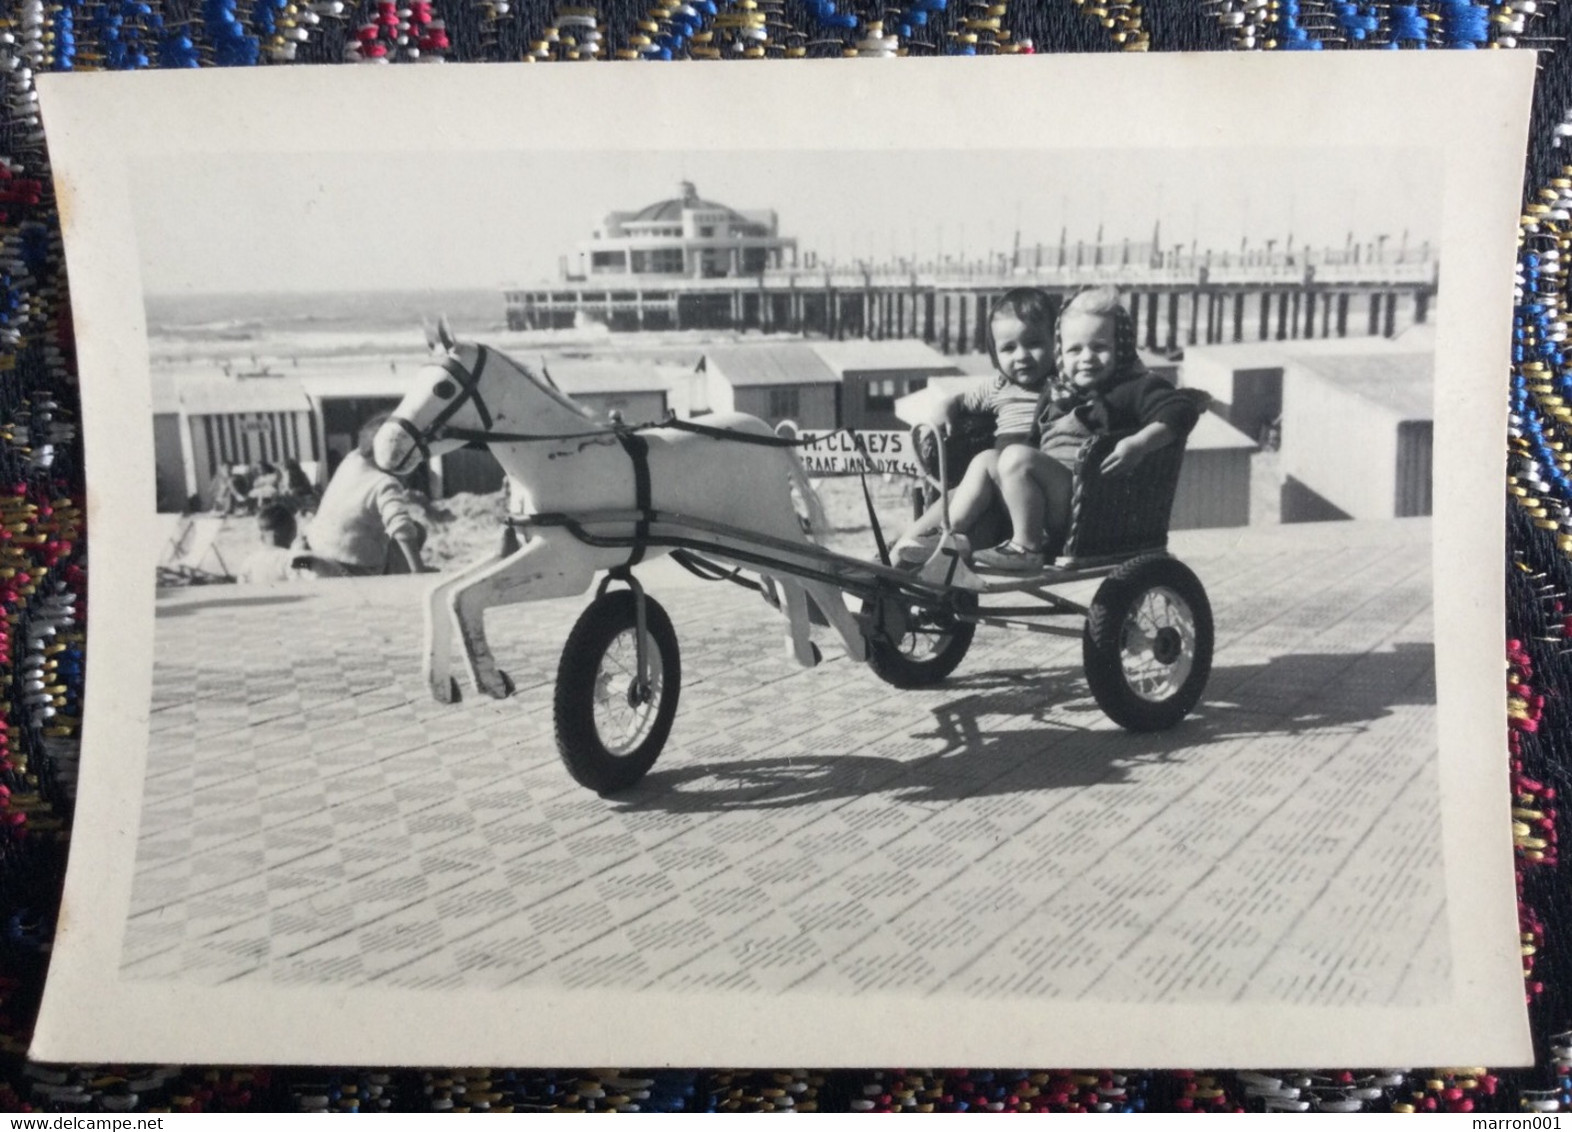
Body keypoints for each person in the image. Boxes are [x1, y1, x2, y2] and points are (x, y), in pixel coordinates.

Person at [897, 286, 1199, 574]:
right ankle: (936, 538)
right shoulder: (1059, 391)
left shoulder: (1134, 387)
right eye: (1075, 350)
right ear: (1062, 354)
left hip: (1089, 506)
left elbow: (1180, 408)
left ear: (1121, 347)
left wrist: (1140, 442)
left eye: (1100, 347)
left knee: (1014, 457)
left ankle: (1027, 547)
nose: (1086, 358)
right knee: (985, 460)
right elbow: (1028, 436)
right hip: (1048, 497)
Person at [891, 287, 1058, 564]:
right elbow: (960, 402)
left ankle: (946, 535)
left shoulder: (1062, 387)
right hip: (997, 491)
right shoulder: (999, 387)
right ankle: (896, 554)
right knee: (950, 500)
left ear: (1056, 342)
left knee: (987, 460)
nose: (1021, 356)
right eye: (1008, 348)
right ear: (995, 355)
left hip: (1035, 496)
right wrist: (942, 412)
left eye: (1034, 343)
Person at [306, 412, 430, 576]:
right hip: (354, 563)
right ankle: (403, 573)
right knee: (416, 532)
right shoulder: (384, 483)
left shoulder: (352, 459)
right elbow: (401, 527)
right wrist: (418, 570)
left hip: (319, 545)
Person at [237, 502, 306, 585]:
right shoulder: (289, 558)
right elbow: (300, 586)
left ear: (261, 535)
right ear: (291, 534)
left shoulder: (250, 559)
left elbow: (241, 584)